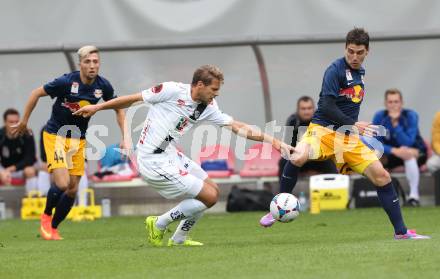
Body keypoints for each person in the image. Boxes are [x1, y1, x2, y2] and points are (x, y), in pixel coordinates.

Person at [74, 65, 293, 246]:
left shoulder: (208, 106)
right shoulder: (171, 91)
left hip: (170, 154)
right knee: (209, 197)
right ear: (199, 85)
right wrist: (96, 108)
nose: (216, 94)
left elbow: (237, 126)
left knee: (211, 189)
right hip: (151, 160)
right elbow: (131, 99)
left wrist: (273, 140)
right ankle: (159, 223)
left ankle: (178, 238)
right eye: (213, 89)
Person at [259, 28, 429, 239]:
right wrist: (353, 123)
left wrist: (351, 127)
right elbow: (328, 106)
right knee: (297, 156)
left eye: (359, 52)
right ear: (345, 48)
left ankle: (401, 232)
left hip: (347, 139)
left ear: (367, 51)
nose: (354, 56)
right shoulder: (335, 70)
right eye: (351, 51)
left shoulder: (360, 73)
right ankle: (277, 207)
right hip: (322, 131)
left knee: (382, 176)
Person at [11, 46, 129, 240]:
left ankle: (53, 228)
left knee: (73, 188)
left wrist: (124, 136)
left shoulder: (103, 86)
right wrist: (24, 121)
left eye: (95, 62)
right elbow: (35, 93)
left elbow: (119, 108)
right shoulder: (66, 82)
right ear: (80, 64)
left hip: (78, 140)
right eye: (88, 62)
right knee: (63, 183)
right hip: (55, 135)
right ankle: (46, 216)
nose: (92, 66)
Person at [372, 89, 427, 206]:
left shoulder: (411, 115)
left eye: (396, 102)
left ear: (402, 103)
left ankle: (413, 197)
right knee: (374, 155)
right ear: (385, 104)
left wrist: (395, 124)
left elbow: (408, 142)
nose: (393, 105)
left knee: (408, 153)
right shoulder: (379, 116)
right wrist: (393, 150)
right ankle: (379, 197)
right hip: (391, 153)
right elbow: (375, 143)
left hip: (416, 152)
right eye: (390, 102)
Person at [278, 96, 337, 185]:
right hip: (298, 157)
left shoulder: (321, 120)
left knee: (331, 162)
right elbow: (288, 146)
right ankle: (284, 193)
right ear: (298, 110)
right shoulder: (293, 121)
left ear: (314, 109)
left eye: (309, 108)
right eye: (303, 109)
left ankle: (334, 191)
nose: (306, 111)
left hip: (317, 158)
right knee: (283, 162)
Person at [38, 125, 89, 206]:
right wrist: (56, 167)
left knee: (81, 172)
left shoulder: (76, 128)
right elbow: (44, 156)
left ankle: (82, 206)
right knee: (43, 172)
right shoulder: (48, 129)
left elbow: (81, 155)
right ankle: (43, 204)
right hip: (56, 163)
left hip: (72, 163)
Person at [0, 108, 38, 193]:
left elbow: (30, 158)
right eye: (11, 122)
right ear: (5, 122)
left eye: (16, 122)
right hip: (4, 169)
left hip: (22, 168)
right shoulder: (0, 135)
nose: (14, 125)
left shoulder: (27, 134)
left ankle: (31, 199)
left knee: (30, 171)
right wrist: (2, 172)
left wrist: (11, 169)